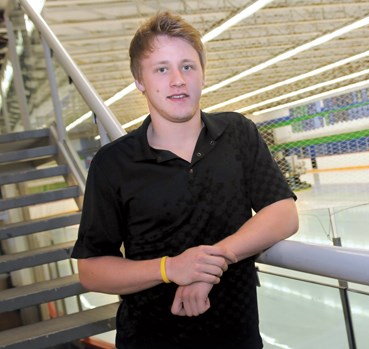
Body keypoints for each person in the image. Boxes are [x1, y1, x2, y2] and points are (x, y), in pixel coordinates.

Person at [71, 11, 298, 349]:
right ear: (140, 81)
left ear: (202, 75)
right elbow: (92, 270)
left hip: (237, 337)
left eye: (187, 66)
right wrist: (170, 268)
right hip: (149, 340)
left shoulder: (236, 133)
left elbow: (284, 213)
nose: (177, 79)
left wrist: (213, 260)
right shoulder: (113, 163)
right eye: (161, 69)